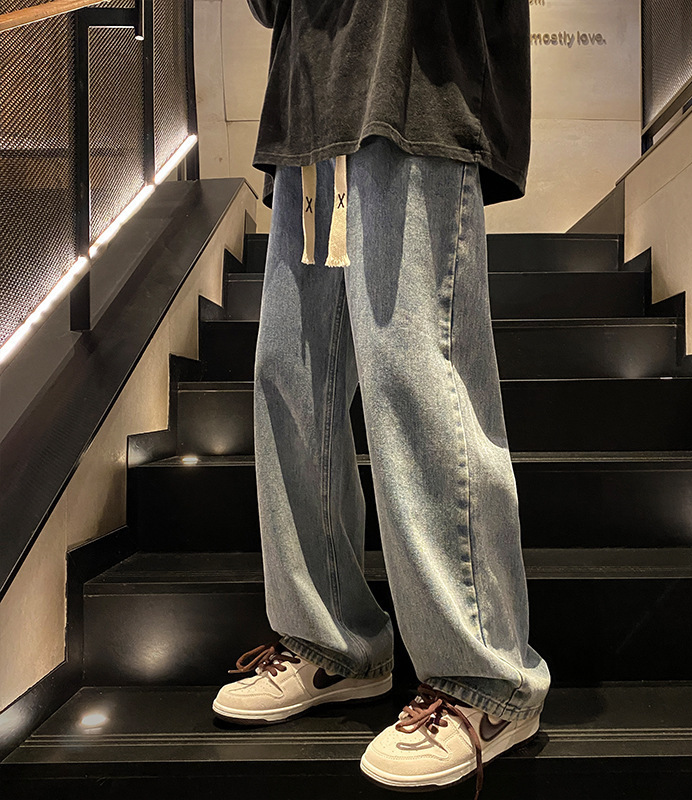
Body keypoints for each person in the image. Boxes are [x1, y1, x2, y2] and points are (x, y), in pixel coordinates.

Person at [212, 1, 550, 794]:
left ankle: (485, 680)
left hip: (413, 85)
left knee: (415, 375)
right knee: (292, 382)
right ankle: (332, 644)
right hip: (309, 110)